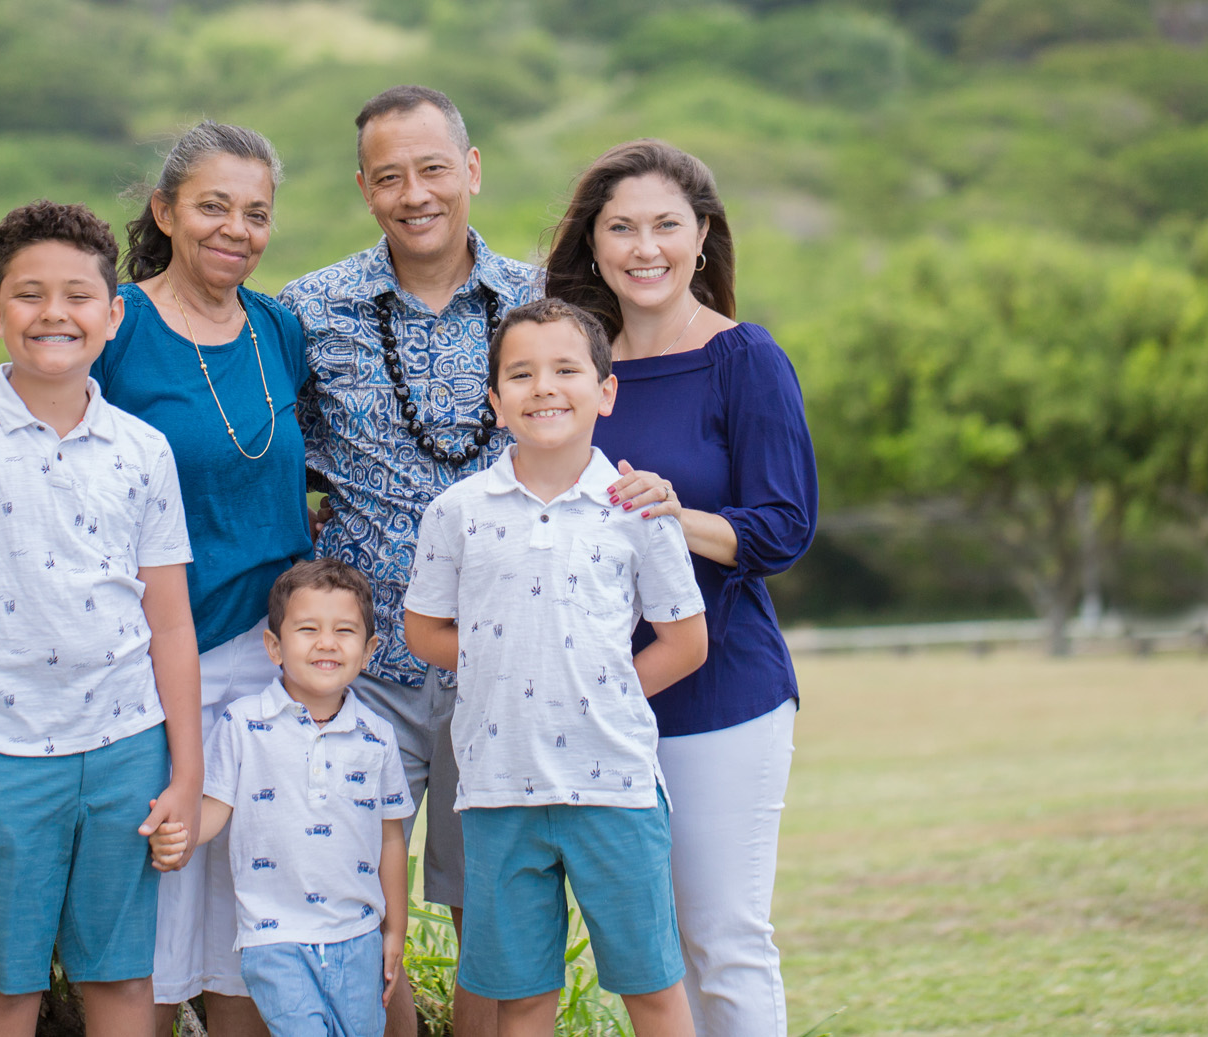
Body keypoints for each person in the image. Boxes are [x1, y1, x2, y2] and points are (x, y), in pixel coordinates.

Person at [0, 200, 206, 1037]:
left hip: (128, 749)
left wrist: (184, 771)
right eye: (29, 295)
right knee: (4, 983)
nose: (54, 313)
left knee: (122, 977)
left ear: (112, 314)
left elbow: (170, 623)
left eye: (76, 295)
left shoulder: (143, 450)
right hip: (4, 752)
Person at [278, 85, 538, 1037]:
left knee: (499, 914)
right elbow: (278, 469)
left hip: (502, 665)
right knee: (350, 911)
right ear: (363, 188)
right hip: (365, 672)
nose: (414, 192)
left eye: (433, 168)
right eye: (390, 176)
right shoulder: (308, 312)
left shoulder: (543, 303)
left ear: (470, 170)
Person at [545, 141, 818, 1037]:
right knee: (651, 954)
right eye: (621, 227)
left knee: (724, 939)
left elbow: (782, 526)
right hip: (602, 702)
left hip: (721, 691)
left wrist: (670, 513)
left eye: (666, 225)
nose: (644, 246)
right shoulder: (575, 366)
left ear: (703, 238)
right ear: (594, 244)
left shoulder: (745, 359)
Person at [402, 299, 707, 1037]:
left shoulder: (637, 507)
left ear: (605, 390)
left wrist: (594, 687)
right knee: (523, 999)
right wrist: (505, 666)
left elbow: (686, 641)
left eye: (567, 369)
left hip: (616, 787)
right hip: (499, 788)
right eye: (522, 373)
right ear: (495, 400)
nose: (544, 386)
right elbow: (423, 629)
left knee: (654, 988)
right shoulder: (458, 510)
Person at [94, 122, 312, 1037]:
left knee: (249, 937)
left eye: (255, 213)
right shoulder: (116, 322)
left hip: (270, 672)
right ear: (165, 211)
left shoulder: (276, 328)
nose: (236, 229)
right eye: (214, 206)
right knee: (146, 935)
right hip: (154, 670)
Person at [147, 558, 411, 1037]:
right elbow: (214, 810)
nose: (327, 643)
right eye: (308, 629)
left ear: (369, 650)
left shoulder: (379, 737)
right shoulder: (245, 724)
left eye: (345, 631)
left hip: (357, 936)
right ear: (274, 646)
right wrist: (178, 838)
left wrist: (394, 928)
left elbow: (391, 838)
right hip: (275, 937)